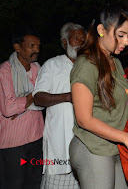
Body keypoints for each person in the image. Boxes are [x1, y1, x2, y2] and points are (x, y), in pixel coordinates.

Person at [68, 4, 128, 189]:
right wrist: (127, 138)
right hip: (93, 147)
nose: (127, 42)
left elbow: (114, 109)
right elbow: (84, 119)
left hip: (115, 147)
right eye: (121, 35)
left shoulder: (115, 63)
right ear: (101, 30)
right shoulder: (86, 65)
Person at [33, 22, 86, 189]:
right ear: (65, 42)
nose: (80, 43)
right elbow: (38, 98)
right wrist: (68, 97)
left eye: (83, 40)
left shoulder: (89, 67)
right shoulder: (52, 65)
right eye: (76, 39)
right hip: (59, 143)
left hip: (85, 144)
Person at [0, 27, 44, 189]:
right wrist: (35, 93)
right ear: (17, 47)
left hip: (37, 138)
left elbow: (47, 96)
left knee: (34, 183)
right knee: (14, 184)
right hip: (13, 144)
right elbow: (9, 109)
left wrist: (23, 103)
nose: (36, 50)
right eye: (32, 46)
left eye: (38, 46)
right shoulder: (5, 70)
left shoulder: (38, 69)